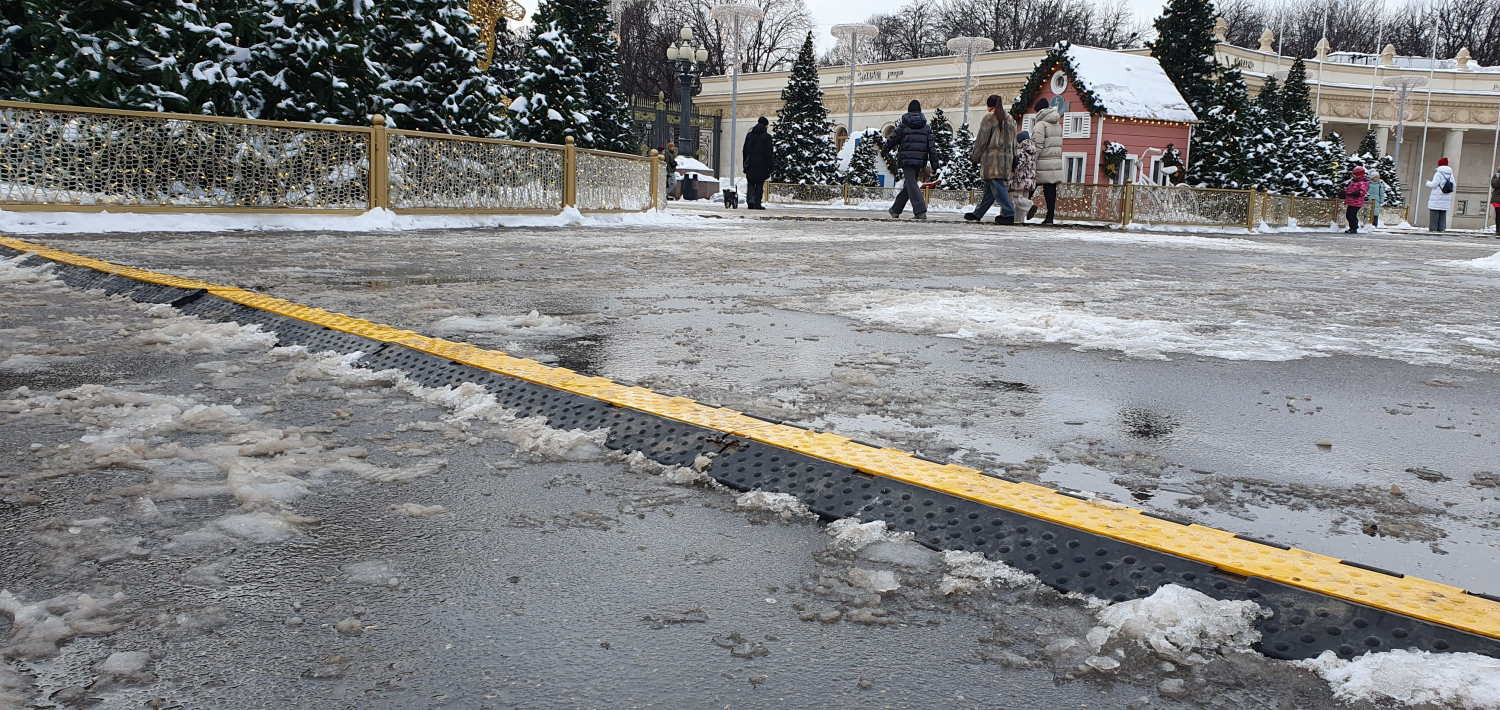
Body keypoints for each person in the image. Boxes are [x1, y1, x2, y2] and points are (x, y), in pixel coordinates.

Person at [965, 94, 1018, 224]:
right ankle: (978, 213)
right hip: (1006, 160)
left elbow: (981, 141)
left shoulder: (990, 118)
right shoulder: (1010, 118)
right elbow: (1014, 141)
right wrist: (1014, 158)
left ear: (989, 105)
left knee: (997, 186)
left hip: (992, 160)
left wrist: (974, 158)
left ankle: (1009, 213)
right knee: (990, 189)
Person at [884, 100, 940, 220]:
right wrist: (935, 164)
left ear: (909, 111)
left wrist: (884, 150)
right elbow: (932, 147)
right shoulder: (926, 128)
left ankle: (920, 211)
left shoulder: (904, 126)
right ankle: (895, 209)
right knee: (910, 184)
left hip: (906, 160)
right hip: (920, 161)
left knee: (911, 184)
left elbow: (892, 140)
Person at [1029, 98, 1064, 224]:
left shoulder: (1040, 125)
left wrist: (1032, 160)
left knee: (1029, 186)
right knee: (1050, 190)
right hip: (1054, 162)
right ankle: (1050, 217)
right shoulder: (1057, 124)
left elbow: (1037, 145)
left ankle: (1023, 209)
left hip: (1041, 162)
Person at [742, 117, 774, 210]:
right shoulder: (767, 137)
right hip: (762, 164)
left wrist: (745, 163)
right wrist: (771, 167)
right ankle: (757, 203)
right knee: (759, 184)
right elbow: (769, 153)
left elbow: (744, 151)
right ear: (765, 125)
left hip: (751, 163)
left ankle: (750, 202)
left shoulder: (749, 135)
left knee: (751, 183)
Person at [1009, 129, 1038, 220]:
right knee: (1021, 205)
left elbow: (1018, 165)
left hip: (1020, 179)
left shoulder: (1021, 151)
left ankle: (1030, 206)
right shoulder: (1032, 152)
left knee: (1017, 198)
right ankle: (1019, 221)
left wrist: (1012, 169)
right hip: (1029, 180)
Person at [1426, 157, 1454, 232]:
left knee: (1434, 213)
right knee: (1442, 213)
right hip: (1446, 196)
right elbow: (1453, 185)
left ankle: (1433, 228)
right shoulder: (1451, 174)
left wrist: (1428, 182)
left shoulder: (1438, 173)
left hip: (1437, 196)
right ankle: (1442, 229)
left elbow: (1434, 184)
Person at [1340, 165, 1369, 233]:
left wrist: (1354, 193)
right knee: (1348, 215)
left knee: (1351, 215)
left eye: (1356, 175)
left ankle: (1354, 227)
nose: (1354, 176)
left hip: (1357, 202)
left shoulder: (1363, 183)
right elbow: (1348, 189)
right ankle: (1352, 227)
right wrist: (1344, 193)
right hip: (1351, 201)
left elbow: (1362, 192)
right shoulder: (1353, 182)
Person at [1490, 167, 1500, 235]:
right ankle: (1498, 230)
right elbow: (1495, 185)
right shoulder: (1496, 176)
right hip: (1497, 199)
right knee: (1498, 215)